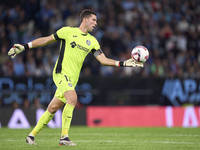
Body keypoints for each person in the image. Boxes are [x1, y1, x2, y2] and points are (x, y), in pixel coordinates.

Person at [8, 9, 143, 146]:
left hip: (72, 79)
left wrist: (123, 63)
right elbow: (45, 40)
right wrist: (24, 47)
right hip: (61, 73)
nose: (96, 23)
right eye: (93, 20)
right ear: (85, 19)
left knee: (53, 108)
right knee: (72, 98)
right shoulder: (67, 31)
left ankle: (31, 136)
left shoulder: (92, 41)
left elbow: (103, 60)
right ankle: (64, 137)